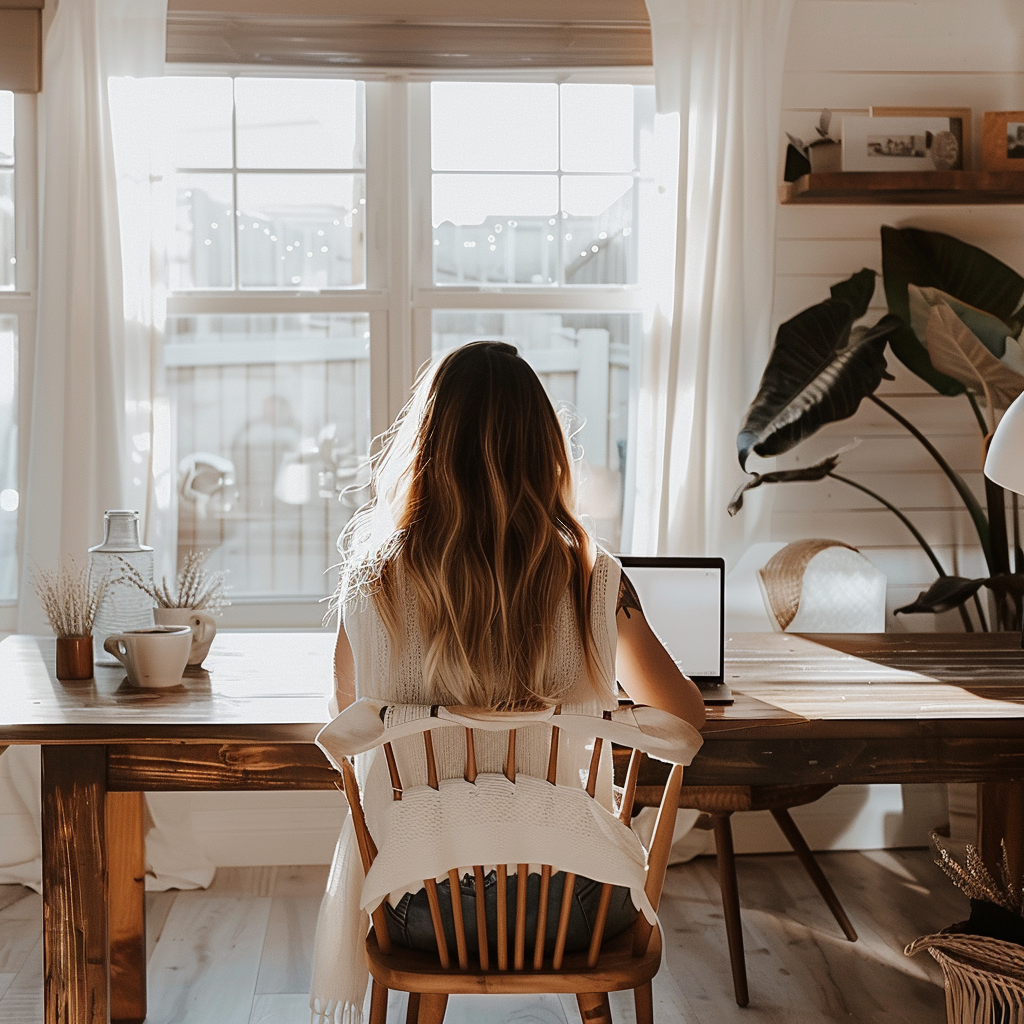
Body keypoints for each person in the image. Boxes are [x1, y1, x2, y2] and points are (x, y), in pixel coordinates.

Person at [310, 341, 704, 1022]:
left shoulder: (371, 578)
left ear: (426, 445)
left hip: (421, 906)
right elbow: (685, 718)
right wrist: (591, 703)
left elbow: (352, 719)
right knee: (600, 855)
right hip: (576, 909)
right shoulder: (592, 574)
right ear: (544, 448)